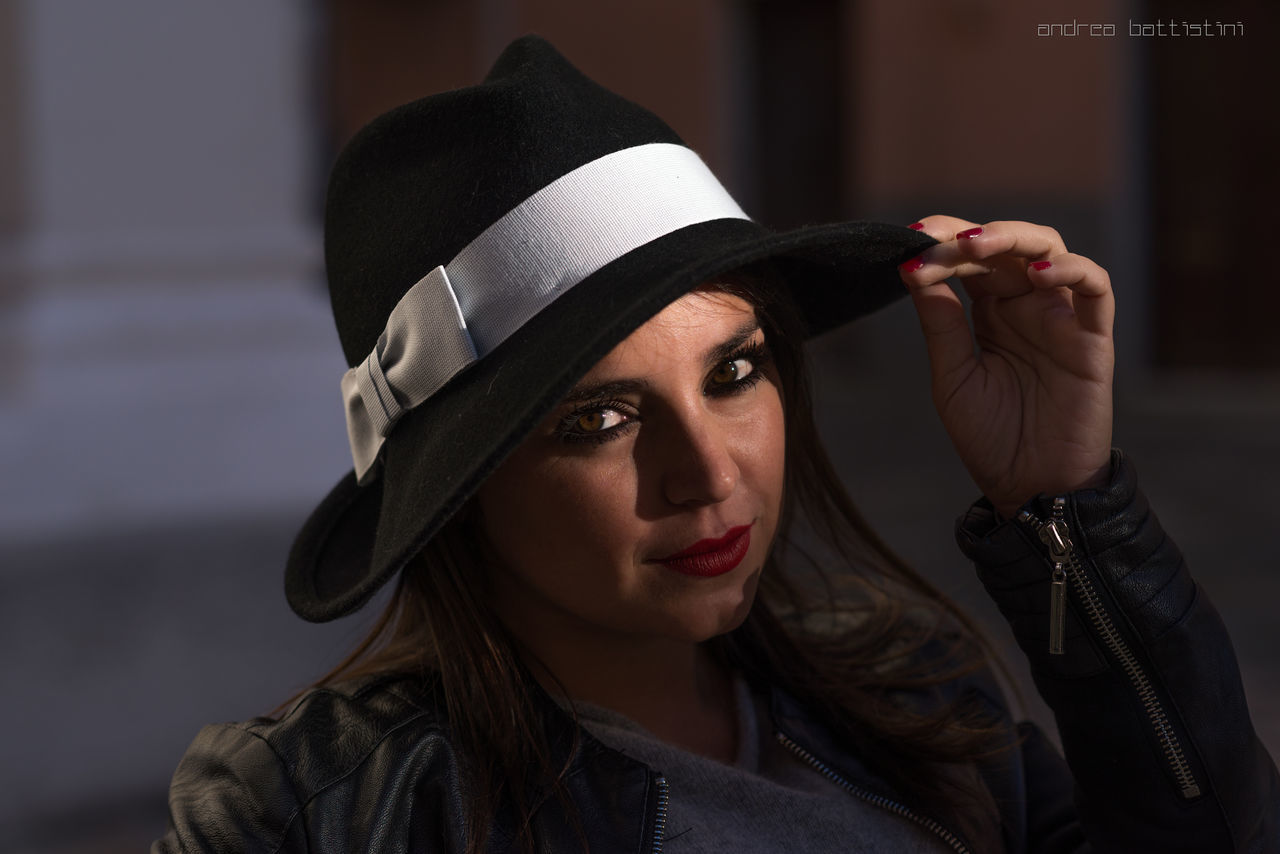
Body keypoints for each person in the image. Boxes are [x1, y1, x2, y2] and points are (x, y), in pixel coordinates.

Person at [153, 35, 1278, 853]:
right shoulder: (313, 808)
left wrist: (1064, 511)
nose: (707, 469)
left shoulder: (913, 688)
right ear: (463, 480)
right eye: (595, 418)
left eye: (733, 371)